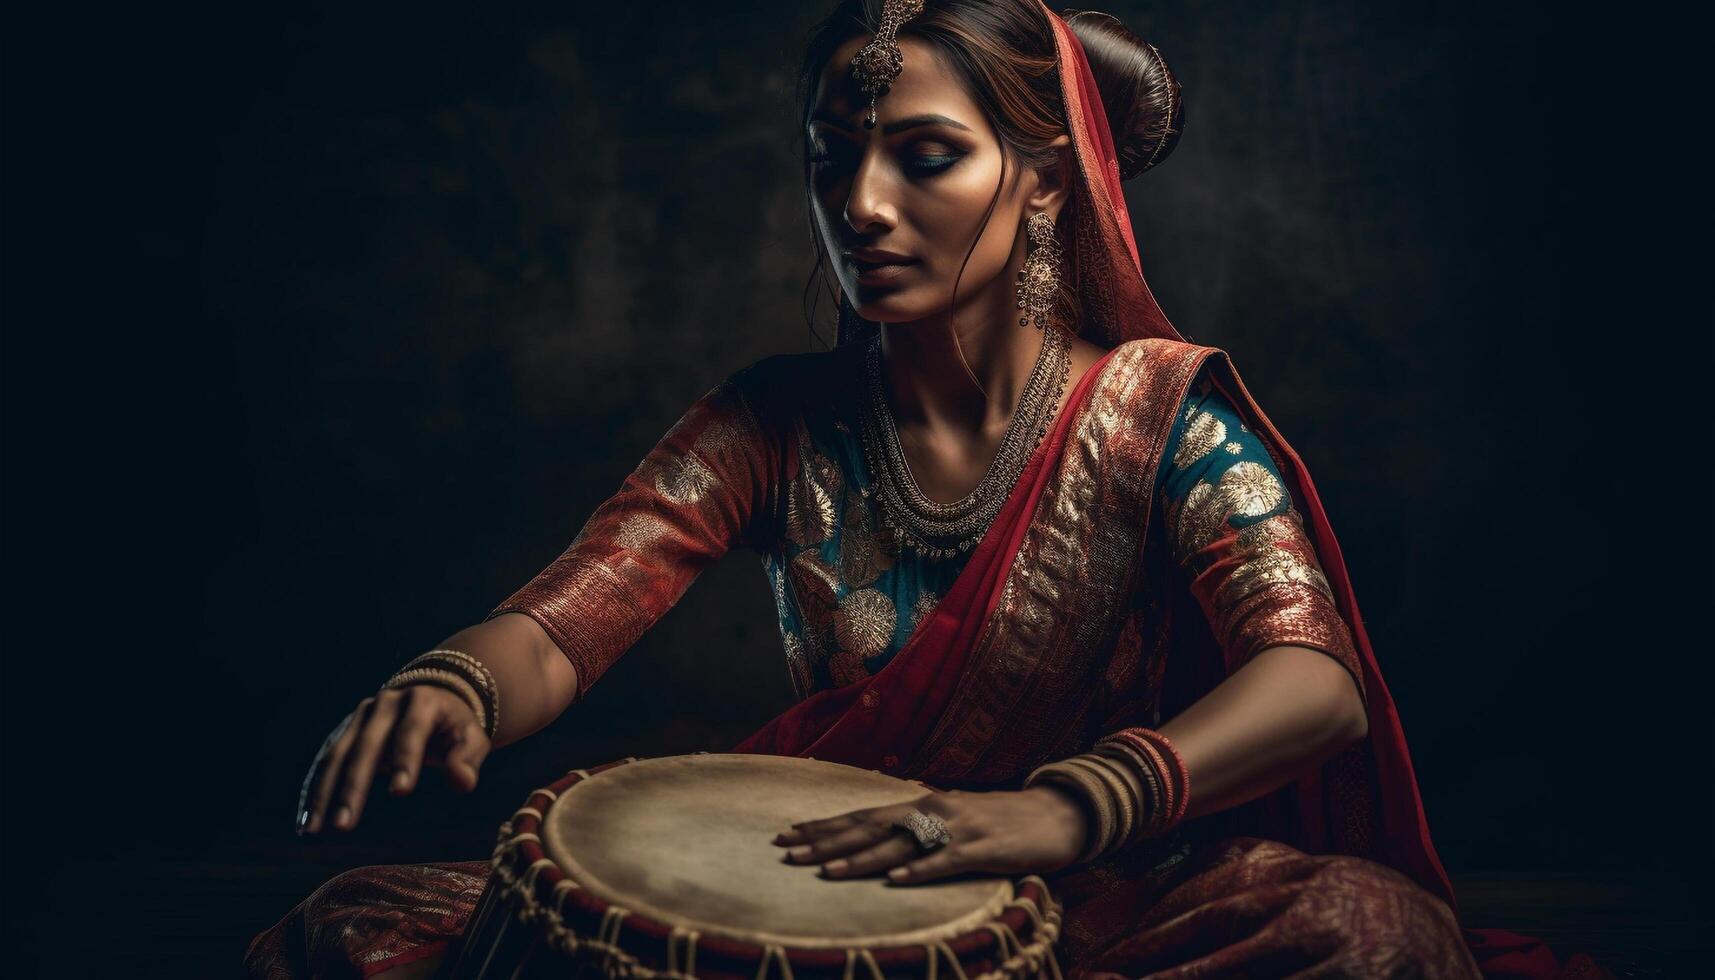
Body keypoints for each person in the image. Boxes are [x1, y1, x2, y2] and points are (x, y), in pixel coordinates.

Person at [246, 2, 1610, 978]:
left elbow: (1317, 686)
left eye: (926, 153)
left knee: (1370, 934)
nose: (864, 204)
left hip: (1101, 892)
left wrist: (1063, 809)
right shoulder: (776, 424)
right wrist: (463, 682)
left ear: (1043, 185)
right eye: (834, 156)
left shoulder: (1152, 419)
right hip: (835, 883)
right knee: (361, 929)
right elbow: (574, 616)